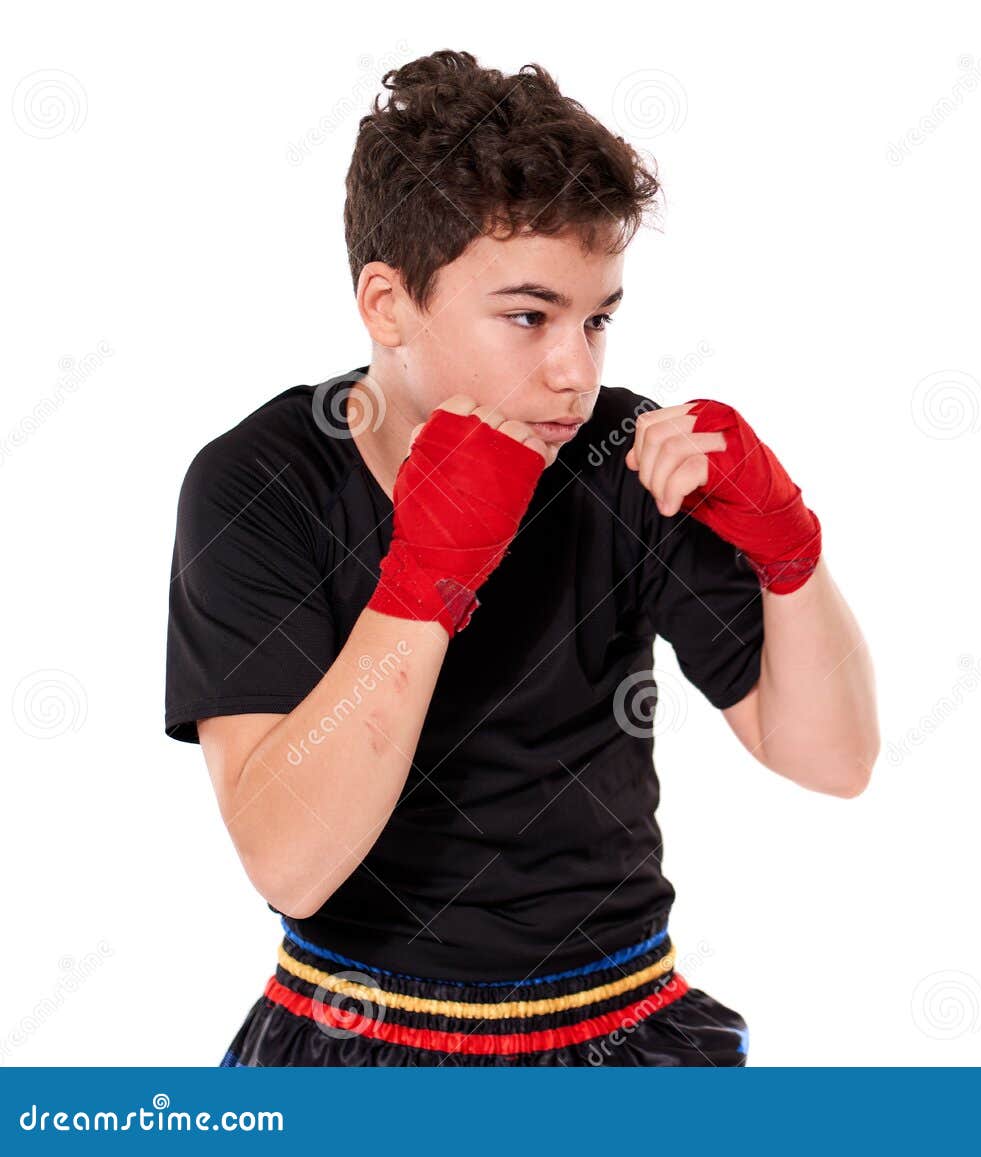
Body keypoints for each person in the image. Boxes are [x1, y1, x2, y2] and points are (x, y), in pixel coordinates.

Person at [163, 50, 879, 1067]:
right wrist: (427, 578)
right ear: (387, 304)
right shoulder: (261, 481)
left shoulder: (621, 457)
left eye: (598, 319)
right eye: (528, 316)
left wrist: (789, 550)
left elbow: (831, 757)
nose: (574, 371)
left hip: (622, 1025)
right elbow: (288, 859)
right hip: (353, 1036)